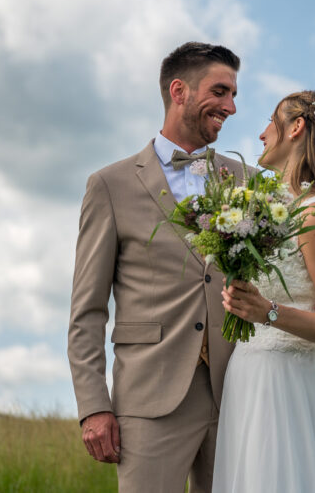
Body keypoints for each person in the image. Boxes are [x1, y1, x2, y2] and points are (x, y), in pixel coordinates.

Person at [67, 41, 249, 493]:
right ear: (179, 91)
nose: (230, 106)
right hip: (150, 397)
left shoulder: (247, 182)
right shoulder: (109, 185)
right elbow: (87, 309)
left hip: (241, 393)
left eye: (234, 95)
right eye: (221, 91)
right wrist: (93, 405)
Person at [212, 90, 315, 492]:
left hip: (285, 383)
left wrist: (268, 311)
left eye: (271, 120)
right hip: (247, 376)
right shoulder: (272, 210)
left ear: (296, 128)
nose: (261, 133)